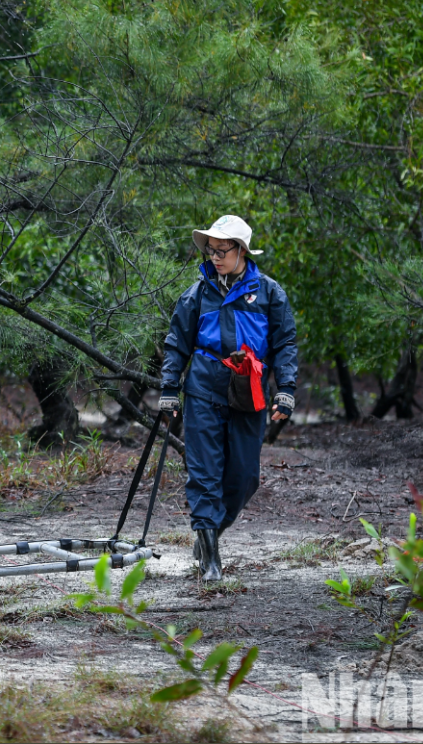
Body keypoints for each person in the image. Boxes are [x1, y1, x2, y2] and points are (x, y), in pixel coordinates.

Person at [159, 216, 297, 581]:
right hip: (203, 389)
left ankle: (210, 536)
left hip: (249, 391)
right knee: (204, 474)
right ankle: (211, 563)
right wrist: (169, 391)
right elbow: (176, 345)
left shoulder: (269, 293)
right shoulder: (197, 294)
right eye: (211, 250)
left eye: (222, 250)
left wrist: (286, 391)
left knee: (244, 478)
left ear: (242, 251)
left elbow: (284, 345)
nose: (215, 256)